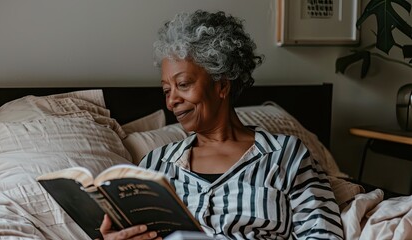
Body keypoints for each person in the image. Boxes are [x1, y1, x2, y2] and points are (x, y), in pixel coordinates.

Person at [100, 10, 344, 240]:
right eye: (166, 90)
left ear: (222, 86)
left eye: (183, 84)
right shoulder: (155, 166)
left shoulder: (287, 155)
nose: (172, 101)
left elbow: (324, 233)